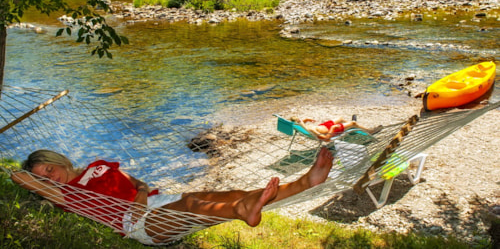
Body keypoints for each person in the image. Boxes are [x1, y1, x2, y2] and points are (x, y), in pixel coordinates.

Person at [11, 147, 334, 245]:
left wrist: (139, 191)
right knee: (195, 206)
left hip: (154, 201)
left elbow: (132, 180)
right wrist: (137, 202)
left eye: (49, 170)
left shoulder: (96, 166)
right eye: (43, 178)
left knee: (226, 192)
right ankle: (243, 211)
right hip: (135, 222)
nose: (49, 177)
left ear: (58, 162)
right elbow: (16, 176)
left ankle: (307, 181)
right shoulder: (67, 196)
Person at [291, 116, 383, 141]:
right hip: (331, 130)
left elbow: (302, 124)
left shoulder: (300, 126)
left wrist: (306, 120)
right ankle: (370, 131)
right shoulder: (311, 130)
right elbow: (327, 139)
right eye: (299, 120)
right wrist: (333, 128)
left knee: (340, 118)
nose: (300, 120)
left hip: (323, 126)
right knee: (353, 122)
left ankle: (349, 125)